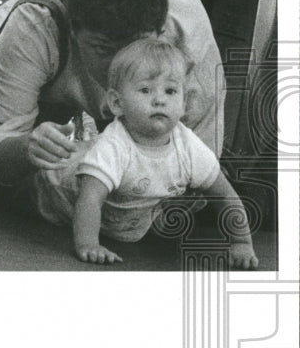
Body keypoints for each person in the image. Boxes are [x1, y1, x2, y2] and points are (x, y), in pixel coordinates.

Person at [0, 0, 224, 219]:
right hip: (50, 58)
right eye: (103, 48)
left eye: (134, 45)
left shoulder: (189, 43)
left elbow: (200, 181)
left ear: (160, 32)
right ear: (73, 29)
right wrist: (24, 148)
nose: (118, 66)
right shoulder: (37, 23)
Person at [71, 38, 257, 268]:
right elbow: (90, 198)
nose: (159, 100)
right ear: (117, 103)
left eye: (170, 91)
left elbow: (224, 195)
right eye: (145, 90)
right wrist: (88, 243)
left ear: (184, 103)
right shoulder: (115, 145)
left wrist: (241, 241)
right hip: (61, 200)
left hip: (124, 226)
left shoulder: (187, 146)